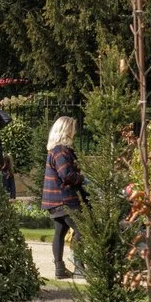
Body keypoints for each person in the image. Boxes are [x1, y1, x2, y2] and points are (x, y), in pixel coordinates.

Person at [41, 115, 86, 280]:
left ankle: (60, 269)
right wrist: (82, 179)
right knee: (83, 230)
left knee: (60, 232)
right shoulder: (61, 150)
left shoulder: (54, 149)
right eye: (72, 129)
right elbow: (66, 174)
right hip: (64, 199)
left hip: (53, 199)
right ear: (66, 130)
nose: (74, 132)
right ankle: (79, 267)